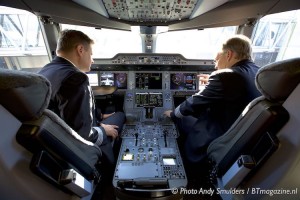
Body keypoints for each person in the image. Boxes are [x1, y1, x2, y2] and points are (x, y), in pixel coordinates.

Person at [164, 35, 261, 164]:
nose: (215, 66)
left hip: (221, 134)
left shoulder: (224, 76)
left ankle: (189, 162)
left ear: (229, 54)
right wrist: (213, 81)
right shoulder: (259, 72)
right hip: (243, 132)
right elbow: (235, 86)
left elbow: (194, 102)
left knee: (182, 117)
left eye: (216, 60)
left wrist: (172, 114)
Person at [38, 29, 126, 165]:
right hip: (77, 144)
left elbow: (67, 108)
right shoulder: (75, 78)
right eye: (91, 54)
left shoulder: (47, 69)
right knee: (120, 115)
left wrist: (99, 116)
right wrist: (103, 129)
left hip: (58, 135)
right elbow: (83, 135)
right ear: (80, 50)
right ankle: (109, 169)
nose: (92, 60)